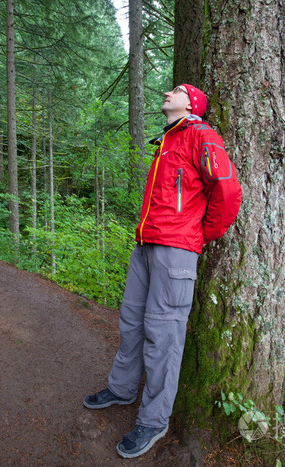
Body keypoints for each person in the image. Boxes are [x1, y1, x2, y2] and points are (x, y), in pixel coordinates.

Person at [83, 84, 243, 458]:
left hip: (176, 251)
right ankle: (122, 389)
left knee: (164, 334)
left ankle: (154, 421)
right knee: (132, 321)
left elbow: (229, 191)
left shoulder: (201, 135)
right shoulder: (167, 141)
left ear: (191, 104)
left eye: (176, 91)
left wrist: (201, 234)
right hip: (146, 245)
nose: (167, 94)